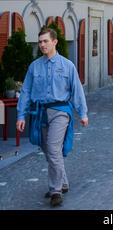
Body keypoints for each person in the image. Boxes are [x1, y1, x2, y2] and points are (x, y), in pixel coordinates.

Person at [16, 28, 88, 208]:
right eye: (40, 42)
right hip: (40, 113)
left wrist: (83, 113)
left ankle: (55, 191)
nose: (42, 45)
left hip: (61, 112)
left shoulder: (67, 65)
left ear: (54, 42)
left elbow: (77, 90)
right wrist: (21, 115)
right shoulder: (34, 67)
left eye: (45, 41)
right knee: (48, 151)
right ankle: (62, 183)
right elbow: (25, 91)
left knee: (53, 149)